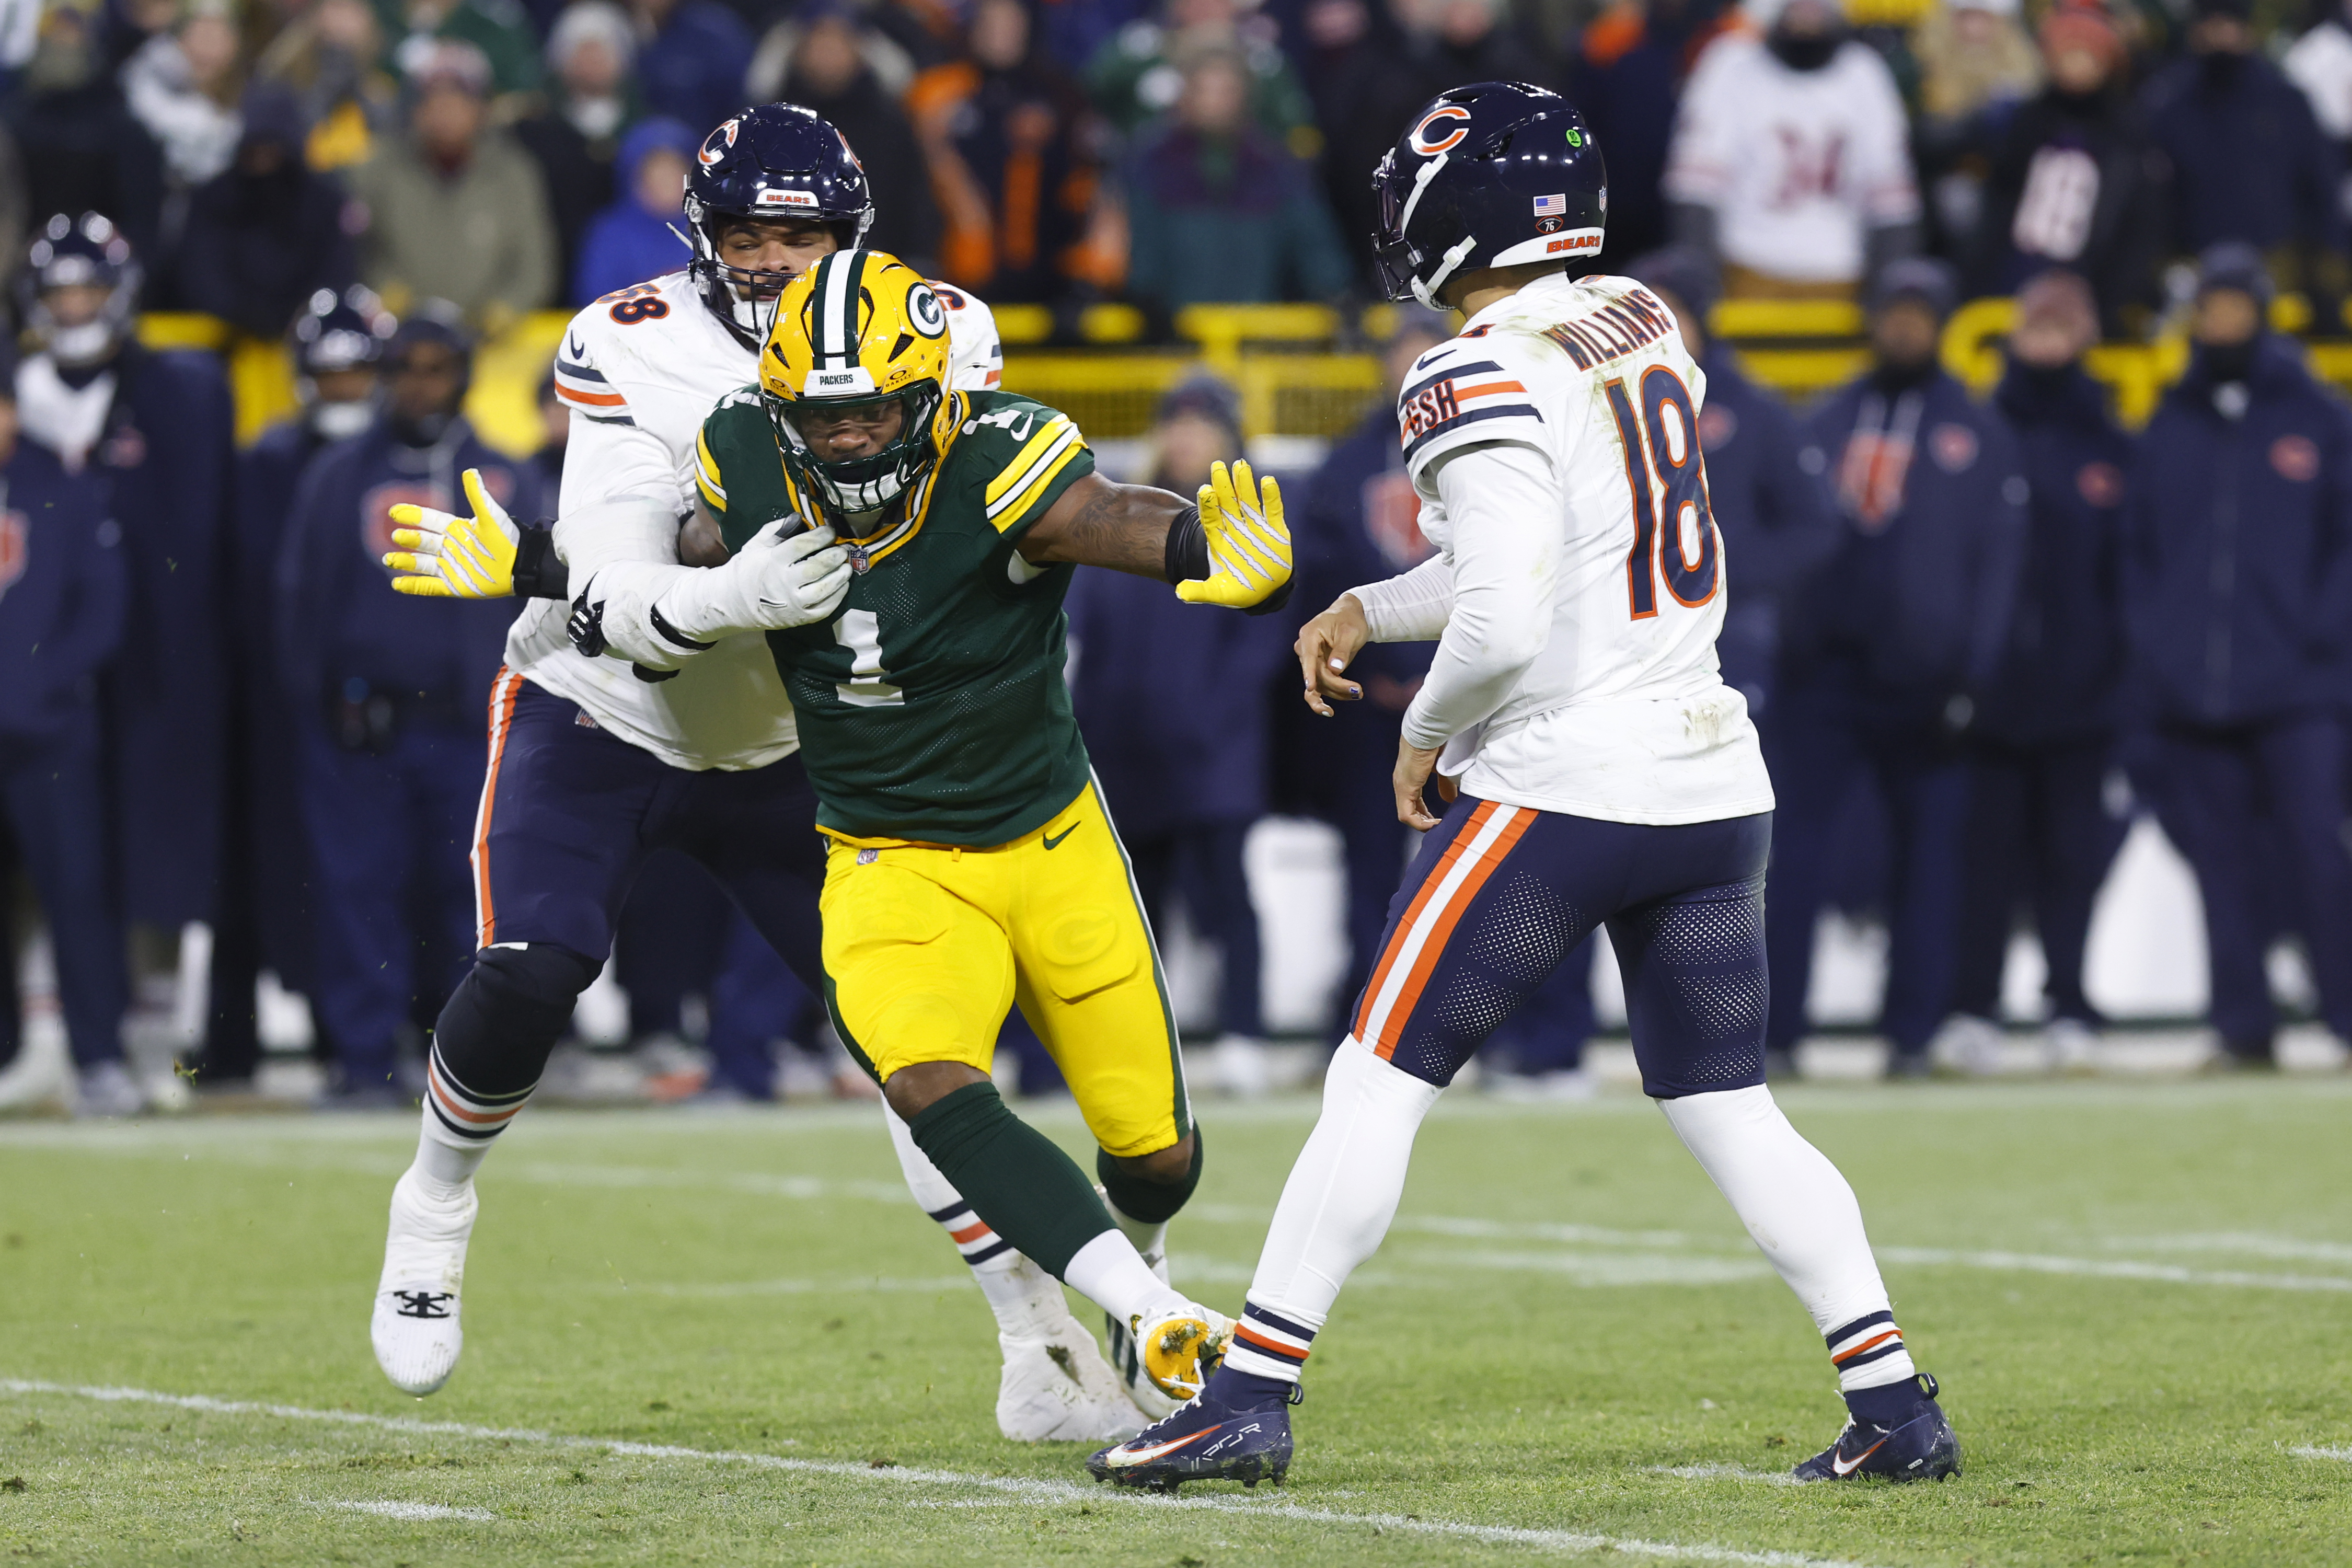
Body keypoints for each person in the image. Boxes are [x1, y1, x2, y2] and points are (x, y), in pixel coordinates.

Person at [1089, 82, 1959, 1492]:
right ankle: (1893, 1404)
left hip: (1568, 783)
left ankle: (1247, 1394)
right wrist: (1369, 606)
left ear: (1461, 212)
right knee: (1732, 1107)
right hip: (1707, 776)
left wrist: (1420, 728)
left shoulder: (1466, 369)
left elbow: (1500, 618)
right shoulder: (1639, 318)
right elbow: (1550, 556)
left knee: (1373, 1082)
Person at [366, 105, 1138, 1449]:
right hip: (603, 712)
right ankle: (433, 1205)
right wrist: (726, 590)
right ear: (703, 240)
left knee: (918, 1046)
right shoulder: (631, 340)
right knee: (537, 962)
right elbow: (606, 581)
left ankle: (1035, 1338)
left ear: (852, 236)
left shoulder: (942, 328)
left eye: (802, 234)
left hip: (800, 740)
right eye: (749, 234)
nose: (776, 260)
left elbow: (949, 538)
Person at [669, 246, 1294, 1434]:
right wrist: (603, 572)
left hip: (1045, 835)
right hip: (885, 853)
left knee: (1154, 1152)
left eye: (870, 410)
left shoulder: (997, 455)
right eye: (820, 412)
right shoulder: (745, 448)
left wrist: (1215, 556)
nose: (846, 436)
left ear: (931, 393)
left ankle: (1132, 1295)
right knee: (928, 1082)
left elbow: (1106, 514)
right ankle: (1149, 1311)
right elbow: (690, 542)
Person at [1765, 260, 2027, 1079]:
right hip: (1828, 674)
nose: (1903, 326)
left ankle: (1912, 1033)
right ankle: (1777, 1034)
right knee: (1791, 860)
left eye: (1919, 313)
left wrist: (1972, 678)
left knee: (1930, 864)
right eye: (1892, 311)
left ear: (1943, 323)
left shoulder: (1978, 432)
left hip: (1927, 680)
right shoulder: (1828, 417)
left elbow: (1999, 567)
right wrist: (1793, 642)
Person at [275, 309, 540, 1104]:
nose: (421, 384)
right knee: (359, 897)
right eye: (406, 368)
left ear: (463, 374)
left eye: (437, 367)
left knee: (469, 905)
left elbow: (546, 602)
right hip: (362, 732)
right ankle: (361, 1062)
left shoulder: (506, 476)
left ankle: (463, 1073)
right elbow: (297, 601)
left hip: (474, 729)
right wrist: (315, 707)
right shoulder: (336, 477)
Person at [2122, 243, 2352, 1069]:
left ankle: (2345, 1019)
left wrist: (2318, 638)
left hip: (2301, 686)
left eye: (2234, 308)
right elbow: (2138, 552)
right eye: (2208, 310)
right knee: (2220, 874)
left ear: (2260, 313)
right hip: (2194, 691)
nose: (2221, 323)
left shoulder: (2318, 418)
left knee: (2319, 857)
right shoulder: (2167, 424)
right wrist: (2160, 646)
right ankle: (2243, 1027)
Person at [15, 212, 235, 956]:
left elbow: (197, 533)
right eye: (61, 293)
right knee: (55, 842)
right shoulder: (18, 393)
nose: (74, 309)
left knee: (153, 831)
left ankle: (159, 998)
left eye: (88, 291)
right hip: (42, 657)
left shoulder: (175, 388)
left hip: (152, 650)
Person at [193, 287, 397, 1090]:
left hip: (382, 703)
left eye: (357, 375)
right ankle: (242, 1045)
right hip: (282, 707)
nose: (344, 390)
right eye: (330, 374)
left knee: (378, 878)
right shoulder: (267, 463)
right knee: (266, 878)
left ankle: (367, 1040)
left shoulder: (402, 459)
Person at [1065, 377, 1289, 1098]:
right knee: (1138, 911)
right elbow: (1089, 636)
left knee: (1228, 902)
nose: (1187, 438)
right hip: (1128, 754)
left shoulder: (1246, 517)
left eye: (1201, 425)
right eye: (1177, 424)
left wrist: (1207, 717)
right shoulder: (1120, 515)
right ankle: (1142, 1048)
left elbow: (1262, 643)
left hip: (1212, 755)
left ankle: (1244, 1038)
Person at [1936, 269, 2131, 1076]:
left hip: (2085, 694)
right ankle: (1976, 1006)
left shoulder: (2112, 443)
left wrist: (2119, 676)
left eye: (2060, 328)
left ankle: (2069, 1004)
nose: (2044, 342)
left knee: (2072, 864)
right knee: (1986, 865)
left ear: (2084, 337)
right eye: (2035, 327)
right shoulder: (1982, 432)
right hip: (1995, 691)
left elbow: (2131, 576)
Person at [1283, 304, 1449, 1031]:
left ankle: (1516, 1036)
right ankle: (1367, 1019)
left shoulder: (1486, 450)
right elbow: (1318, 583)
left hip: (1473, 705)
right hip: (1372, 706)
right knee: (1372, 878)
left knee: (1498, 875)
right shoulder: (1348, 462)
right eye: (1399, 356)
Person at [1623, 244, 1838, 736]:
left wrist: (1722, 571)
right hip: (1628, 632)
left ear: (1700, 320)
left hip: (1729, 629)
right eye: (1639, 315)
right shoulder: (1604, 405)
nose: (1653, 331)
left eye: (1669, 312)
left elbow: (1816, 526)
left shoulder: (1753, 409)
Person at [0, 341, 135, 1117]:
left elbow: (103, 608)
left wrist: (44, 689)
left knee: (79, 894)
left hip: (50, 735)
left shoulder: (65, 484)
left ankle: (100, 1059)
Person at [1664, 0, 1920, 299]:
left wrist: (1882, 296)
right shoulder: (1731, 63)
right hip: (1746, 271)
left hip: (1843, 278)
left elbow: (1892, 204)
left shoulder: (1864, 71)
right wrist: (1704, 288)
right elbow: (1695, 191)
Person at [1966, 0, 2165, 338]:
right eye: (2067, 53)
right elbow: (1997, 210)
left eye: (2086, 54)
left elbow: (2138, 224)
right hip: (2014, 281)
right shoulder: (2025, 124)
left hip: (2090, 288)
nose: (2076, 66)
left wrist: (2113, 300)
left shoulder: (2127, 133)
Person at [1119, 41, 1351, 311]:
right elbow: (1141, 247)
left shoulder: (1277, 168)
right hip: (1174, 333)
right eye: (1204, 90)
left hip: (1258, 329)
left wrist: (1335, 291)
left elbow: (1316, 247)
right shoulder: (1150, 164)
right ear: (1185, 95)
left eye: (1226, 91)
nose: (1214, 103)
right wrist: (1146, 297)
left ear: (1246, 96)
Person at [2140, 0, 2342, 302]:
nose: (2221, 35)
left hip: (2278, 268)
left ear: (2248, 29)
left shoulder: (2284, 101)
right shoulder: (2166, 103)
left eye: (2230, 24)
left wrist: (2326, 269)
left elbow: (2321, 189)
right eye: (2211, 24)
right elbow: (2149, 202)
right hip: (2191, 270)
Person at [346, 40, 557, 324]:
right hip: (397, 334)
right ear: (416, 110)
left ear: (481, 110)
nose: (445, 113)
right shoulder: (380, 169)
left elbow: (535, 263)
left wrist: (506, 308)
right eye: (434, 101)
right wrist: (383, 289)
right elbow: (354, 246)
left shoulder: (513, 174)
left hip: (488, 342)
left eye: (458, 103)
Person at [908, 0, 1100, 303]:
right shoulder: (938, 92)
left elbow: (1087, 185)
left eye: (1010, 23)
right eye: (989, 23)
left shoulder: (1062, 96)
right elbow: (913, 179)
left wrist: (1087, 269)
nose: (999, 33)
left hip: (1050, 273)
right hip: (959, 267)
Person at [750, 0, 939, 266]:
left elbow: (913, 200)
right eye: (819, 40)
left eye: (839, 41)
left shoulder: (890, 123)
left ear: (859, 50)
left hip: (877, 267)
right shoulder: (769, 124)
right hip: (789, 267)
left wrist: (917, 258)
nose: (828, 52)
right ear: (798, 50)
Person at [170, 82, 359, 337]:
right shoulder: (214, 198)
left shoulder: (325, 202)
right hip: (224, 337)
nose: (263, 162)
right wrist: (240, 313)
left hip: (304, 337)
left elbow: (336, 273)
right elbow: (200, 271)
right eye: (255, 152)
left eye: (273, 152)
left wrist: (302, 316)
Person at [6, 1, 166, 258]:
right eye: (53, 29)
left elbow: (141, 226)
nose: (63, 41)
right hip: (21, 267)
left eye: (74, 29)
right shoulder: (14, 120)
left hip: (98, 275)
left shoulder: (122, 129)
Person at [512, 2, 642, 297]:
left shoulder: (647, 128)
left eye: (603, 50)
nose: (593, 61)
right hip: (553, 270)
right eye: (582, 51)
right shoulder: (536, 133)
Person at [571, 116, 698, 304]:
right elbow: (593, 300)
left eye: (675, 169)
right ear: (635, 178)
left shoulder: (711, 226)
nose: (667, 180)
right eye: (656, 171)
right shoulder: (609, 231)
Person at [629, 0, 752, 134]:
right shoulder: (626, 26)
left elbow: (741, 95)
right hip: (652, 141)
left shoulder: (712, 28)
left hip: (712, 141)